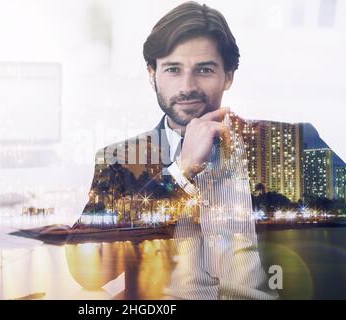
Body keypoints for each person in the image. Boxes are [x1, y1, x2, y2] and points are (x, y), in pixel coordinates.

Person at [65, 2, 344, 299]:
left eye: (205, 70)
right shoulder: (121, 160)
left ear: (228, 76)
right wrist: (178, 174)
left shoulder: (290, 143)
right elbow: (88, 271)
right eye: (173, 69)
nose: (187, 86)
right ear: (152, 74)